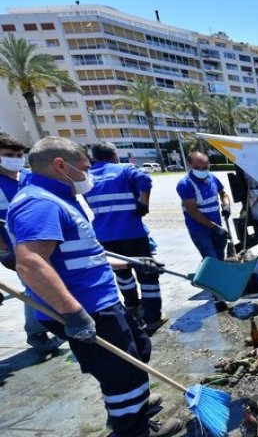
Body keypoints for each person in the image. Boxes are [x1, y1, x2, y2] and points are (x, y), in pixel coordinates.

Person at [8, 136, 182, 436]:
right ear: (61, 165)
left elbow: (83, 257)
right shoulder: (39, 204)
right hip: (86, 308)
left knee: (137, 350)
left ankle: (134, 404)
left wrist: (132, 263)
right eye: (85, 168)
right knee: (121, 373)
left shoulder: (59, 198)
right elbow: (30, 263)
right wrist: (73, 313)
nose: (89, 175)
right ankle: (133, 428)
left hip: (102, 301)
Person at [83, 142, 167, 334]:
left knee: (122, 274)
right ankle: (153, 317)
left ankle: (132, 307)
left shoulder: (87, 177)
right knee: (147, 272)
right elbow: (145, 180)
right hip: (132, 233)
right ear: (114, 154)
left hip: (104, 235)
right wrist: (143, 202)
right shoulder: (124, 169)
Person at [0, 132, 66, 352]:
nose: (16, 158)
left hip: (46, 241)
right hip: (17, 249)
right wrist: (3, 251)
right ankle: (37, 332)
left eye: (19, 154)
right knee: (35, 287)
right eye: (9, 154)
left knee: (52, 283)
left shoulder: (27, 176)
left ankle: (53, 322)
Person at [176, 151, 231, 310]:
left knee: (219, 259)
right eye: (197, 167)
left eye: (205, 166)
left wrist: (226, 205)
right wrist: (215, 227)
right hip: (200, 230)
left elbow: (223, 193)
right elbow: (193, 212)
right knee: (211, 260)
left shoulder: (212, 178)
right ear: (189, 165)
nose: (202, 169)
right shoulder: (185, 184)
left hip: (217, 227)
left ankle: (217, 285)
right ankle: (218, 296)